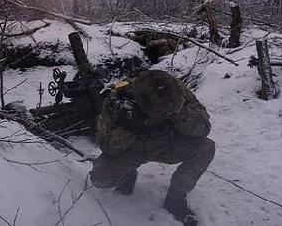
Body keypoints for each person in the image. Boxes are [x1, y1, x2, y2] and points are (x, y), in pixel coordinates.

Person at [89, 70, 215, 226]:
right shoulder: (118, 98)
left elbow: (203, 128)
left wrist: (179, 114)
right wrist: (131, 128)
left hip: (167, 145)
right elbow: (106, 146)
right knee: (100, 178)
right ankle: (128, 175)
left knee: (205, 147)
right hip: (131, 149)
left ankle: (175, 197)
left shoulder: (176, 90)